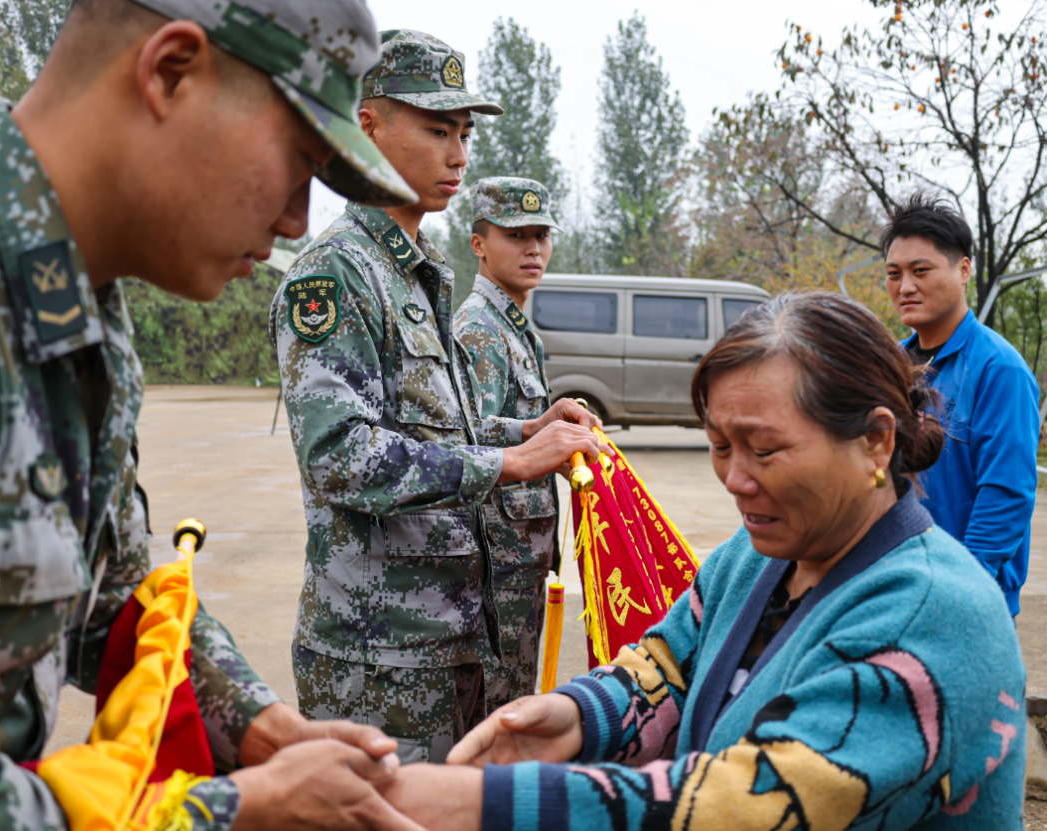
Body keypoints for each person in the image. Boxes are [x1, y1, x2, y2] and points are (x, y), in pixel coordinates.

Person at [0, 0, 430, 829]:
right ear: (170, 71)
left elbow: (106, 596)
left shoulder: (73, 309)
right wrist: (233, 811)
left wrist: (259, 727)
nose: (297, 219)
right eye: (298, 162)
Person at [379, 293, 1027, 831]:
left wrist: (482, 803)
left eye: (764, 449)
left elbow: (746, 801)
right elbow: (668, 661)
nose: (735, 479)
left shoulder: (932, 613)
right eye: (719, 446)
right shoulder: (754, 558)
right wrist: (577, 717)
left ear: (875, 441)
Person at [270, 31, 602, 765]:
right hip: (377, 657)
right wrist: (508, 465)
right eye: (435, 129)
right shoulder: (336, 277)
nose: (457, 155)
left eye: (463, 133)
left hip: (448, 642)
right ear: (370, 125)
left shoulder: (416, 274)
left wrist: (523, 427)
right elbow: (342, 455)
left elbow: (431, 424)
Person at [882, 194, 1039, 618]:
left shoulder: (998, 369)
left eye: (921, 270)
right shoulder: (890, 363)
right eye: (894, 274)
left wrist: (963, 587)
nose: (905, 286)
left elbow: (1006, 492)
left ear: (964, 269)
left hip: (964, 597)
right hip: (893, 588)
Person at [453, 177, 563, 712]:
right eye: (516, 235)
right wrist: (533, 434)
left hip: (521, 556)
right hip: (497, 564)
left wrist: (545, 426)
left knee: (514, 697)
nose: (533, 249)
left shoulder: (516, 328)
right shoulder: (478, 329)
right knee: (498, 710)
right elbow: (463, 435)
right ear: (479, 244)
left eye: (542, 235)